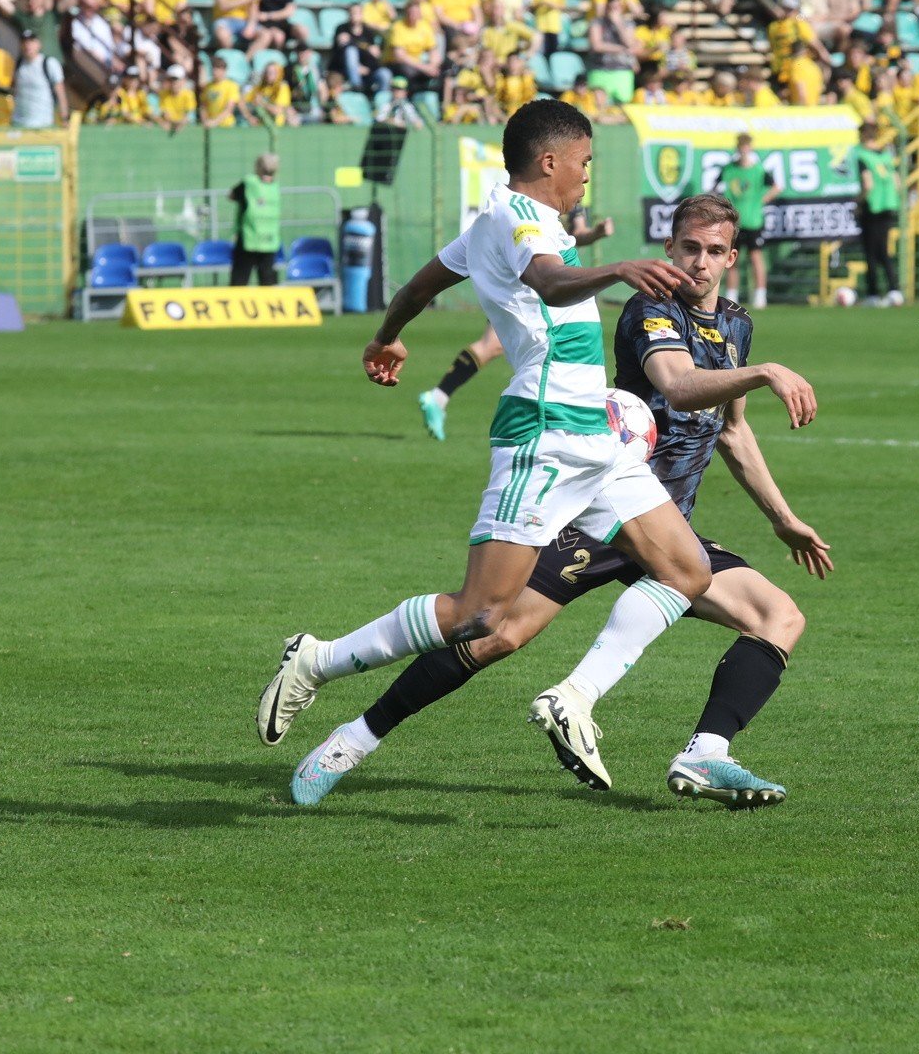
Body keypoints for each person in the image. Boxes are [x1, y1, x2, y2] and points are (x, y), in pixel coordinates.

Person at [258, 102, 719, 806]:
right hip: (543, 434)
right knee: (479, 612)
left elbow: (421, 284)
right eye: (586, 162)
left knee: (685, 570)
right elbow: (550, 281)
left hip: (594, 437)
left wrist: (389, 336)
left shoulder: (501, 221)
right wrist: (616, 268)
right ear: (550, 162)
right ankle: (319, 659)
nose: (589, 175)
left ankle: (576, 696)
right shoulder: (520, 221)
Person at [296, 193, 824, 806]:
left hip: (666, 530)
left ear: (731, 257)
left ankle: (705, 754)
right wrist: (766, 373)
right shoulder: (651, 309)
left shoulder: (735, 324)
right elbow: (679, 388)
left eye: (712, 251)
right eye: (688, 248)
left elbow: (731, 429)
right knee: (493, 633)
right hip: (602, 511)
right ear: (669, 249)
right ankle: (351, 741)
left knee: (778, 617)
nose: (699, 263)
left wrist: (783, 519)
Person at [416, 202, 614, 441]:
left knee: (493, 345)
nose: (583, 174)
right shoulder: (525, 207)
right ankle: (440, 397)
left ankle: (439, 397)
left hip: (542, 284)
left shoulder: (572, 199)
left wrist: (597, 233)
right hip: (524, 286)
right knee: (498, 346)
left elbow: (577, 235)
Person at [717, 133, 778, 308]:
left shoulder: (758, 170)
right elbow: (715, 188)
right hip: (733, 222)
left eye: (746, 147)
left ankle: (760, 295)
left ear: (750, 148)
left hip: (753, 221)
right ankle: (731, 296)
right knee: (731, 260)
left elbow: (776, 187)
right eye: (741, 147)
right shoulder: (728, 170)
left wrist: (760, 200)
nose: (743, 150)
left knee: (756, 257)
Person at [854, 124, 902, 306]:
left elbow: (867, 184)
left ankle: (873, 294)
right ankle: (894, 290)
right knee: (884, 250)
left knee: (871, 253)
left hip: (872, 207)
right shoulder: (886, 156)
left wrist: (858, 203)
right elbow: (897, 183)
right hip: (889, 205)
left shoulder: (862, 156)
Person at [228, 153, 283, 285]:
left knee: (239, 280)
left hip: (249, 238)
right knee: (267, 281)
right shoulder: (275, 187)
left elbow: (231, 195)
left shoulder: (250, 183)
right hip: (269, 240)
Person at [10, 30, 66, 129]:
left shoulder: (49, 63)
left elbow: (60, 93)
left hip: (43, 123)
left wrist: (64, 118)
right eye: (24, 41)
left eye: (31, 41)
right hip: (19, 123)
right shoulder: (18, 64)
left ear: (38, 44)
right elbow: (15, 91)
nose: (27, 45)